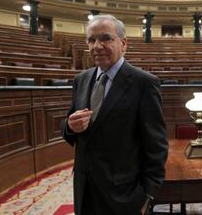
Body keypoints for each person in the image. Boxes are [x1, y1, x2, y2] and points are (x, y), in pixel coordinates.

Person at [61, 14, 168, 215]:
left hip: (124, 194)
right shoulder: (81, 80)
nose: (97, 46)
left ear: (123, 43)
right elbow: (69, 126)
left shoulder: (144, 83)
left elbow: (156, 145)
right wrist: (69, 125)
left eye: (105, 38)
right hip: (84, 189)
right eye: (91, 40)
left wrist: (148, 195)